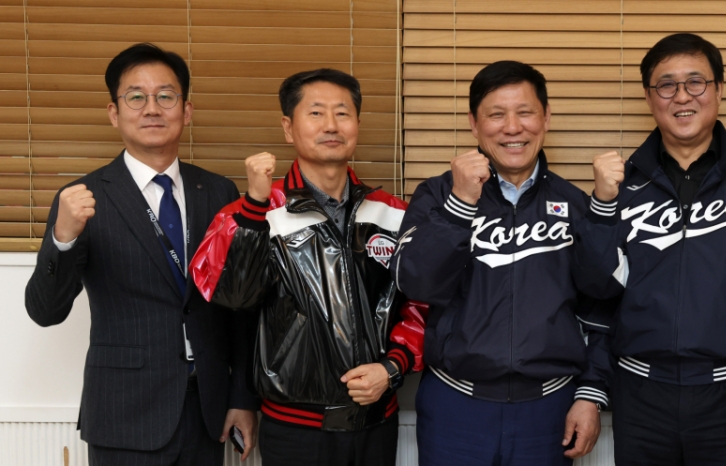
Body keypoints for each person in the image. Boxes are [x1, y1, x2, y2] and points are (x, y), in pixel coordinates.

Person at [24, 43, 258, 465]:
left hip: (206, 410)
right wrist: (63, 237)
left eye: (165, 96)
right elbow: (45, 310)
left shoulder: (218, 191)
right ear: (115, 112)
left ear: (186, 110)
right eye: (136, 97)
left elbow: (236, 308)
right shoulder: (84, 198)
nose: (152, 108)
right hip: (124, 414)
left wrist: (242, 396)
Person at [584, 33, 726, 465]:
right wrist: (601, 206)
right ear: (650, 97)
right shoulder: (621, 185)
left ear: (719, 90)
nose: (682, 96)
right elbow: (596, 292)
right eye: (666, 85)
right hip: (640, 393)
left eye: (696, 82)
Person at [189, 68, 425, 466]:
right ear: (288, 127)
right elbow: (231, 298)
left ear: (357, 125)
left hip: (376, 422)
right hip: (295, 431)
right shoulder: (253, 211)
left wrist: (393, 367)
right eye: (315, 113)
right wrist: (254, 209)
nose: (331, 125)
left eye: (342, 113)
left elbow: (420, 303)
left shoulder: (391, 212)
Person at [392, 60, 618, 466]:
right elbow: (416, 283)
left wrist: (590, 394)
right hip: (454, 405)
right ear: (474, 124)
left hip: (549, 410)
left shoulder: (575, 204)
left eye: (525, 112)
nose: (513, 128)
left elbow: (601, 302)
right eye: (496, 115)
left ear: (546, 118)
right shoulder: (436, 195)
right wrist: (460, 205)